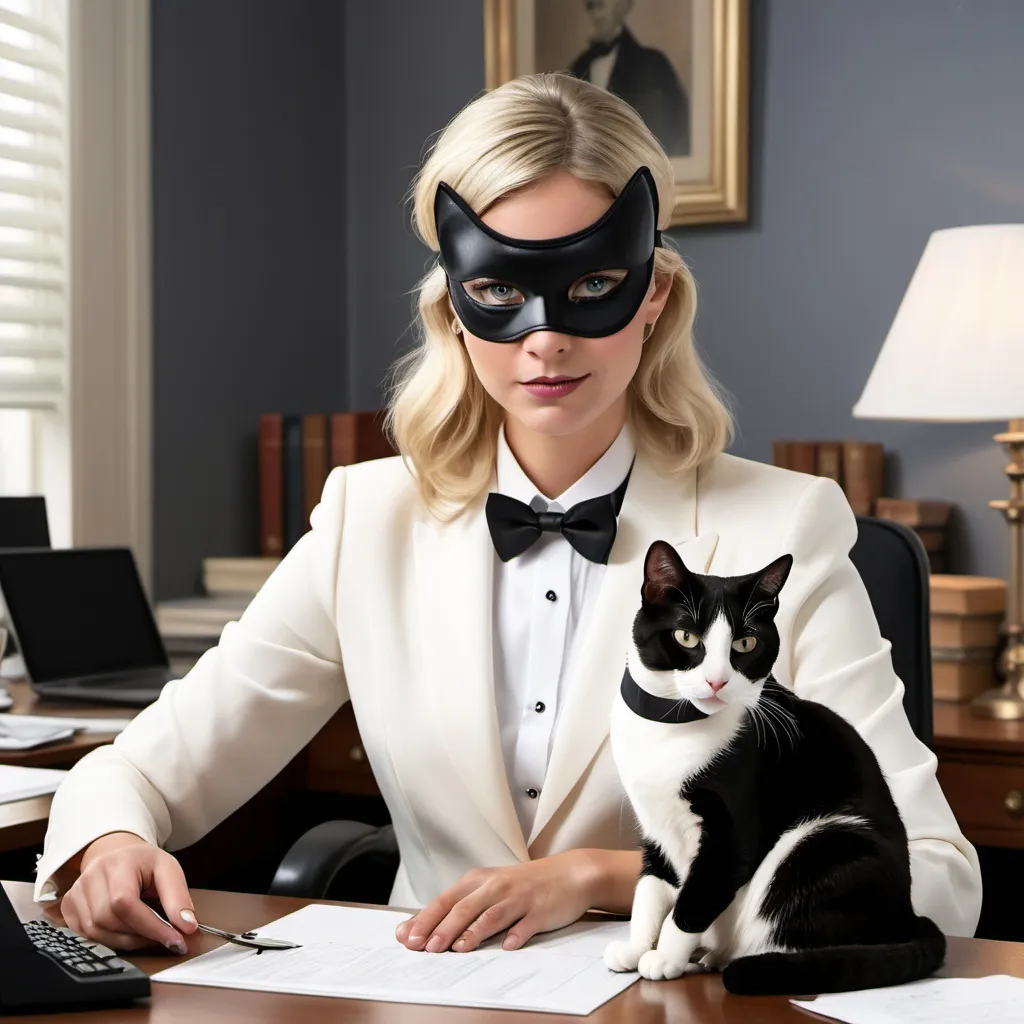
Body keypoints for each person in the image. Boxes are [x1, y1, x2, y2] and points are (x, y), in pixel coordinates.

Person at [34, 72, 981, 961]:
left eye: (591, 287)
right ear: (453, 307)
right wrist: (109, 844)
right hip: (426, 1000)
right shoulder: (367, 521)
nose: (546, 337)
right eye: (499, 293)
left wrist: (605, 879)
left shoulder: (786, 528)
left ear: (652, 294)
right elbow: (143, 773)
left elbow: (935, 878)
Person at [569, 0, 690, 156]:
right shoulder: (579, 67)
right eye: (592, 5)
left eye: (603, 4)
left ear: (623, 5)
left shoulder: (654, 65)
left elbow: (678, 124)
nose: (597, 13)